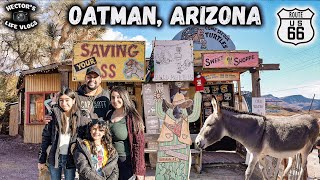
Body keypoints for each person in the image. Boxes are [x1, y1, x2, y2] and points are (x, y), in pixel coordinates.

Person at [44, 66, 111, 139]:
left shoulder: (107, 96)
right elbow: (61, 107)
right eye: (89, 77)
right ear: (85, 78)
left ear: (100, 79)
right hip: (81, 138)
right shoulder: (75, 95)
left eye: (95, 77)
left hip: (101, 138)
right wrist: (50, 116)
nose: (92, 79)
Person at [38, 88, 79, 180]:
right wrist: (41, 159)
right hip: (55, 157)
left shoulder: (79, 118)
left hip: (71, 158)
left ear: (73, 100)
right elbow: (46, 138)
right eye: (61, 100)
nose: (64, 103)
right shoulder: (53, 117)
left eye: (67, 100)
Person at [106, 86, 146, 180]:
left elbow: (138, 145)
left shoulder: (132, 117)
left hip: (125, 162)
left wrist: (139, 170)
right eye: (113, 97)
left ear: (125, 98)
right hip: (110, 160)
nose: (115, 100)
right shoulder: (109, 114)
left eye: (119, 97)